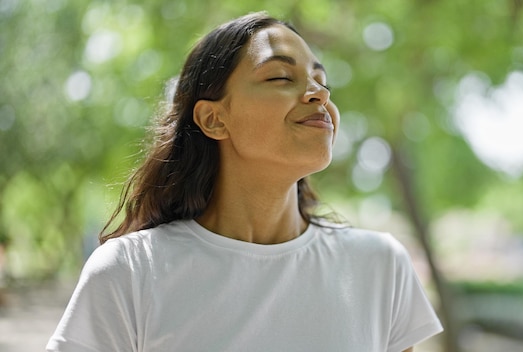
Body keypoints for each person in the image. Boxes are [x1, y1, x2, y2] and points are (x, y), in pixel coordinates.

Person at [46, 12, 443, 352]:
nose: (318, 94)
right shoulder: (129, 272)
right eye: (281, 77)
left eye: (321, 81)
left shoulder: (379, 265)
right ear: (213, 119)